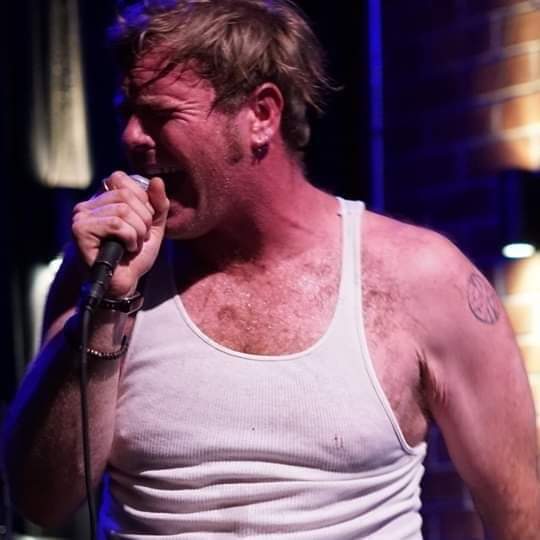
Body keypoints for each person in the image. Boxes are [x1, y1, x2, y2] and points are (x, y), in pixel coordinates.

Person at [3, 1, 539, 538]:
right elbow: (41, 500)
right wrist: (106, 309)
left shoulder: (423, 276)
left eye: (160, 114)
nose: (131, 137)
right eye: (127, 112)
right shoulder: (106, 269)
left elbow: (521, 513)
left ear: (261, 115)